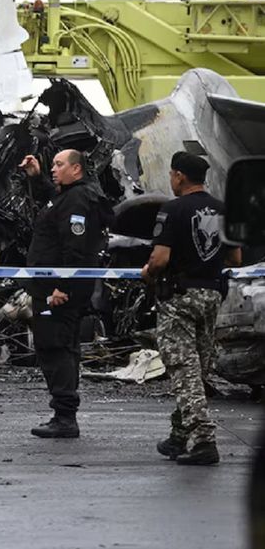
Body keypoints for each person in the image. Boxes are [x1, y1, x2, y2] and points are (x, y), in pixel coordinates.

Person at [141, 151, 241, 466]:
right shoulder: (224, 210)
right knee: (199, 367)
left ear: (179, 176)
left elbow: (160, 259)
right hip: (211, 295)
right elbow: (235, 259)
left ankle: (204, 441)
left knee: (184, 370)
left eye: (172, 175)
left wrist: (148, 273)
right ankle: (180, 435)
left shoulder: (173, 209)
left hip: (179, 297)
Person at [20, 149, 112, 439]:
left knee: (54, 345)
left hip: (57, 290)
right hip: (54, 287)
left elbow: (76, 248)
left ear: (77, 169)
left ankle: (65, 416)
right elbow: (57, 206)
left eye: (59, 165)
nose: (53, 169)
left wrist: (63, 286)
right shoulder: (70, 196)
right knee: (63, 345)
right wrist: (36, 179)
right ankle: (64, 412)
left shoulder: (77, 199)